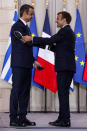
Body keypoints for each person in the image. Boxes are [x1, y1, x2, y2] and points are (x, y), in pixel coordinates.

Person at [22, 11, 76, 127]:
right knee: (62, 94)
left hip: (65, 67)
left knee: (63, 94)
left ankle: (65, 120)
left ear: (64, 20)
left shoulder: (65, 31)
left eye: (58, 19)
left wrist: (32, 39)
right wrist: (36, 43)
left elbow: (50, 40)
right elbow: (54, 47)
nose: (56, 21)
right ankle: (62, 118)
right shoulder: (66, 32)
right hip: (65, 67)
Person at [10, 4, 41, 127]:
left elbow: (27, 47)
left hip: (27, 64)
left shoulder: (26, 27)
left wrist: (33, 60)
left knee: (25, 92)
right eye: (31, 14)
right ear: (24, 13)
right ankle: (13, 118)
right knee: (16, 91)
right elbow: (23, 40)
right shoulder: (16, 26)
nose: (32, 16)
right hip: (18, 64)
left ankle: (22, 117)